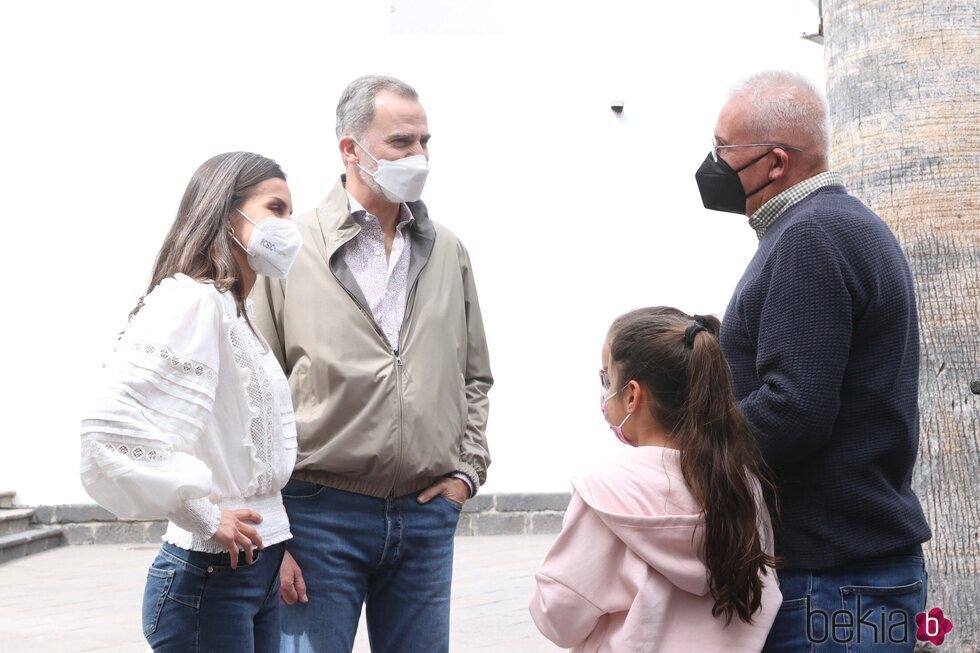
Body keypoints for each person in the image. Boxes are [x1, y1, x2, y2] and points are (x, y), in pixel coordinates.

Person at [250, 75, 492, 653]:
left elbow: (474, 376)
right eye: (401, 143)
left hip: (425, 513)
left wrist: (466, 473)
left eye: (424, 142)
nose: (419, 156)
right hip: (316, 516)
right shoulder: (291, 248)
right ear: (350, 149)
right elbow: (254, 392)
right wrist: (272, 532)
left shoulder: (446, 249)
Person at [696, 71, 932, 651]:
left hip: (833, 582)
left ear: (775, 163)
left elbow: (793, 408)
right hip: (853, 575)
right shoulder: (832, 226)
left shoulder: (813, 236)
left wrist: (684, 455)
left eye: (725, 150)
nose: (713, 163)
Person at [80, 152, 303, 652]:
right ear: (228, 214)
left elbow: (247, 454)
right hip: (208, 580)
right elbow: (107, 427)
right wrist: (203, 514)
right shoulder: (193, 301)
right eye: (276, 208)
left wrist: (277, 543)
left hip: (256, 569)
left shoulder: (235, 313)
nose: (290, 226)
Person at [529, 307, 781, 652]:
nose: (605, 393)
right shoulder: (743, 483)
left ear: (632, 394)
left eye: (607, 379)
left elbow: (556, 615)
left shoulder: (605, 489)